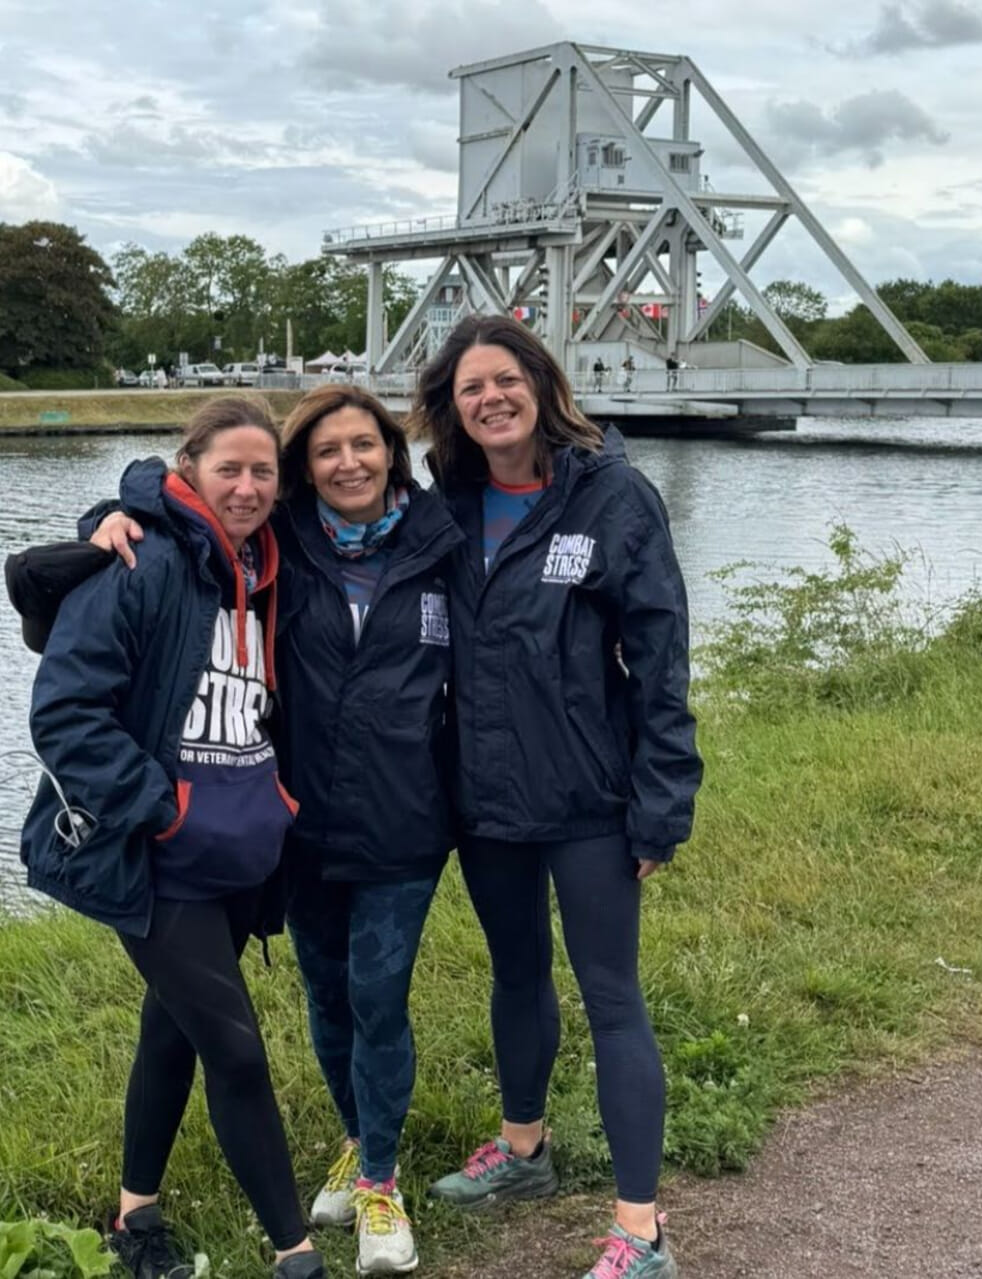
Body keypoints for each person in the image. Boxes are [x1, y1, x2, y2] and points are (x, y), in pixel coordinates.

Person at [91, 385, 464, 1275]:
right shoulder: (281, 542)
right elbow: (186, 501)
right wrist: (111, 510)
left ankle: (379, 1181)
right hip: (301, 826)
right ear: (308, 469)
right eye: (327, 450)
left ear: (392, 451)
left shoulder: (441, 541)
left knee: (378, 997)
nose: (348, 462)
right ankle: (355, 1140)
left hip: (405, 822)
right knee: (327, 996)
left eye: (364, 444)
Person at [411, 315, 701, 1279]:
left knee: (611, 995)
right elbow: (311, 500)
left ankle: (640, 1230)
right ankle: (524, 1148)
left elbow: (661, 662)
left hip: (589, 798)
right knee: (515, 973)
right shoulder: (445, 506)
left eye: (505, 379)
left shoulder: (612, 496)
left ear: (540, 383)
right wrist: (134, 501)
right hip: (487, 796)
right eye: (470, 388)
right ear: (452, 409)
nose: (490, 398)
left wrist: (662, 801)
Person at [23, 396, 327, 1279]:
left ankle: (136, 1214)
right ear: (188, 465)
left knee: (174, 1027)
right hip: (158, 858)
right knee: (235, 1047)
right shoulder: (140, 561)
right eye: (228, 468)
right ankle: (296, 1254)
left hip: (240, 851)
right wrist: (162, 810)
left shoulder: (268, 562)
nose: (247, 486)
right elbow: (65, 714)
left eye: (263, 471)